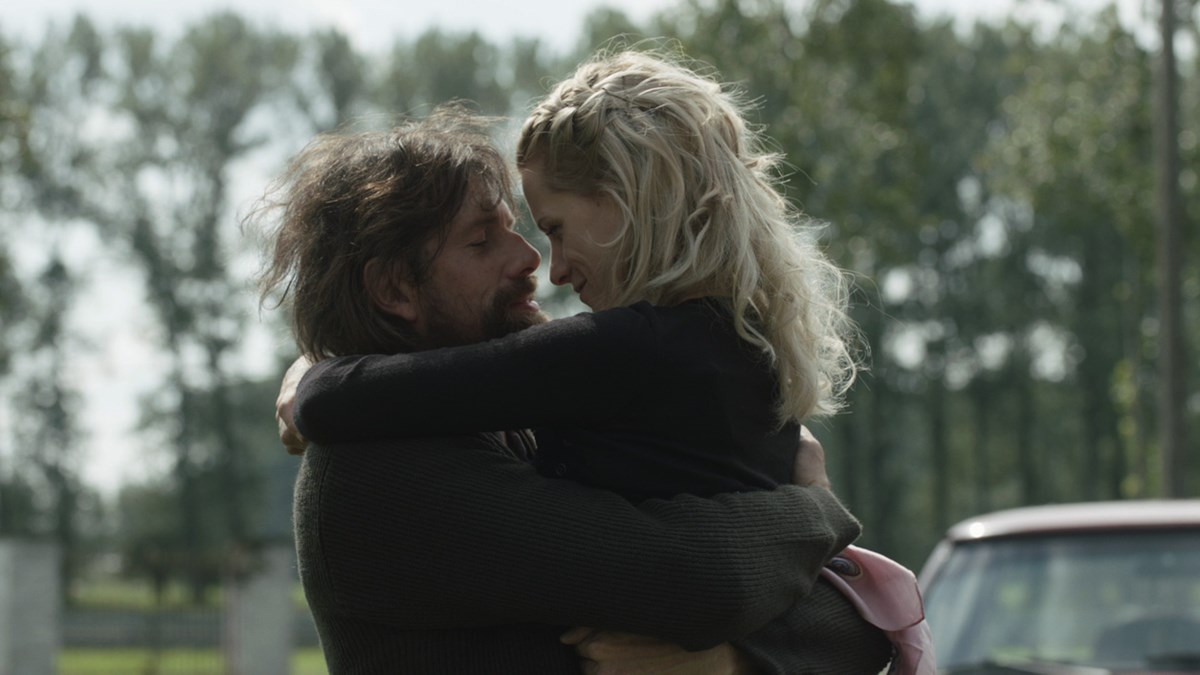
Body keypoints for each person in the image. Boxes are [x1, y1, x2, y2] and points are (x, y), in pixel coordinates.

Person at [288, 51, 924, 673]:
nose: (534, 261)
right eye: (482, 241)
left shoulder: (549, 408)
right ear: (394, 289)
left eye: (537, 228)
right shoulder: (378, 476)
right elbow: (702, 578)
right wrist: (814, 508)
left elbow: (859, 636)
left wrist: (732, 661)